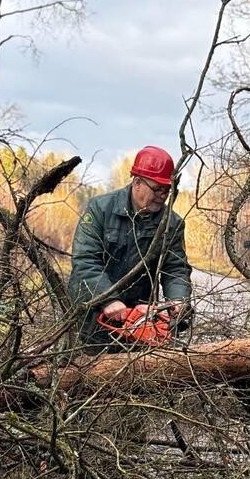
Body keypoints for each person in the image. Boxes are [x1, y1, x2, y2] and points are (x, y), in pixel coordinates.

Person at [68, 145, 192, 350]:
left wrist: (178, 301)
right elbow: (85, 261)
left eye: (166, 190)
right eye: (157, 189)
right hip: (92, 315)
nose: (162, 196)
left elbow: (175, 269)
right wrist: (107, 299)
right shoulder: (100, 209)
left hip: (140, 320)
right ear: (137, 183)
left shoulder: (171, 223)